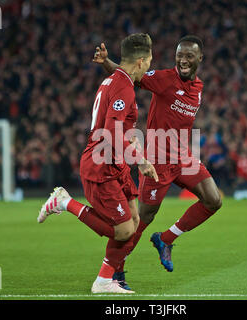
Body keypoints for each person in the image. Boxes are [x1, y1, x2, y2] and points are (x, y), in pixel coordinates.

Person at [93, 35, 222, 286]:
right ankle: (116, 269)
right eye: (179, 55)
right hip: (157, 161)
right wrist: (106, 61)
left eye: (189, 56)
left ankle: (166, 239)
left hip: (183, 157)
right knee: (142, 218)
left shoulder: (199, 88)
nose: (183, 60)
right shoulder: (163, 79)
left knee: (213, 200)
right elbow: (128, 75)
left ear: (199, 59)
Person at [37, 33, 158, 294]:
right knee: (124, 230)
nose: (149, 67)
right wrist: (141, 160)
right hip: (101, 164)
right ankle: (64, 202)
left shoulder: (115, 80)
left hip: (116, 162)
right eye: (148, 62)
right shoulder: (123, 87)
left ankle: (104, 281)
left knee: (134, 221)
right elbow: (111, 131)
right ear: (139, 62)